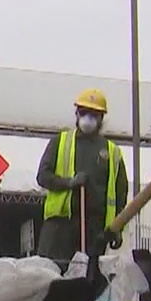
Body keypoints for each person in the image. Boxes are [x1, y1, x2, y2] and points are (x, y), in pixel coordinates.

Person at [36, 88, 130, 273]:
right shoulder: (60, 142)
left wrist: (117, 228)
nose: (88, 118)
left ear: (101, 118)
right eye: (84, 112)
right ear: (77, 114)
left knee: (88, 279)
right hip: (60, 226)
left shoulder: (112, 152)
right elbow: (43, 176)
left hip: (94, 230)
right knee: (51, 275)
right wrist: (69, 183)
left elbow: (120, 195)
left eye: (94, 114)